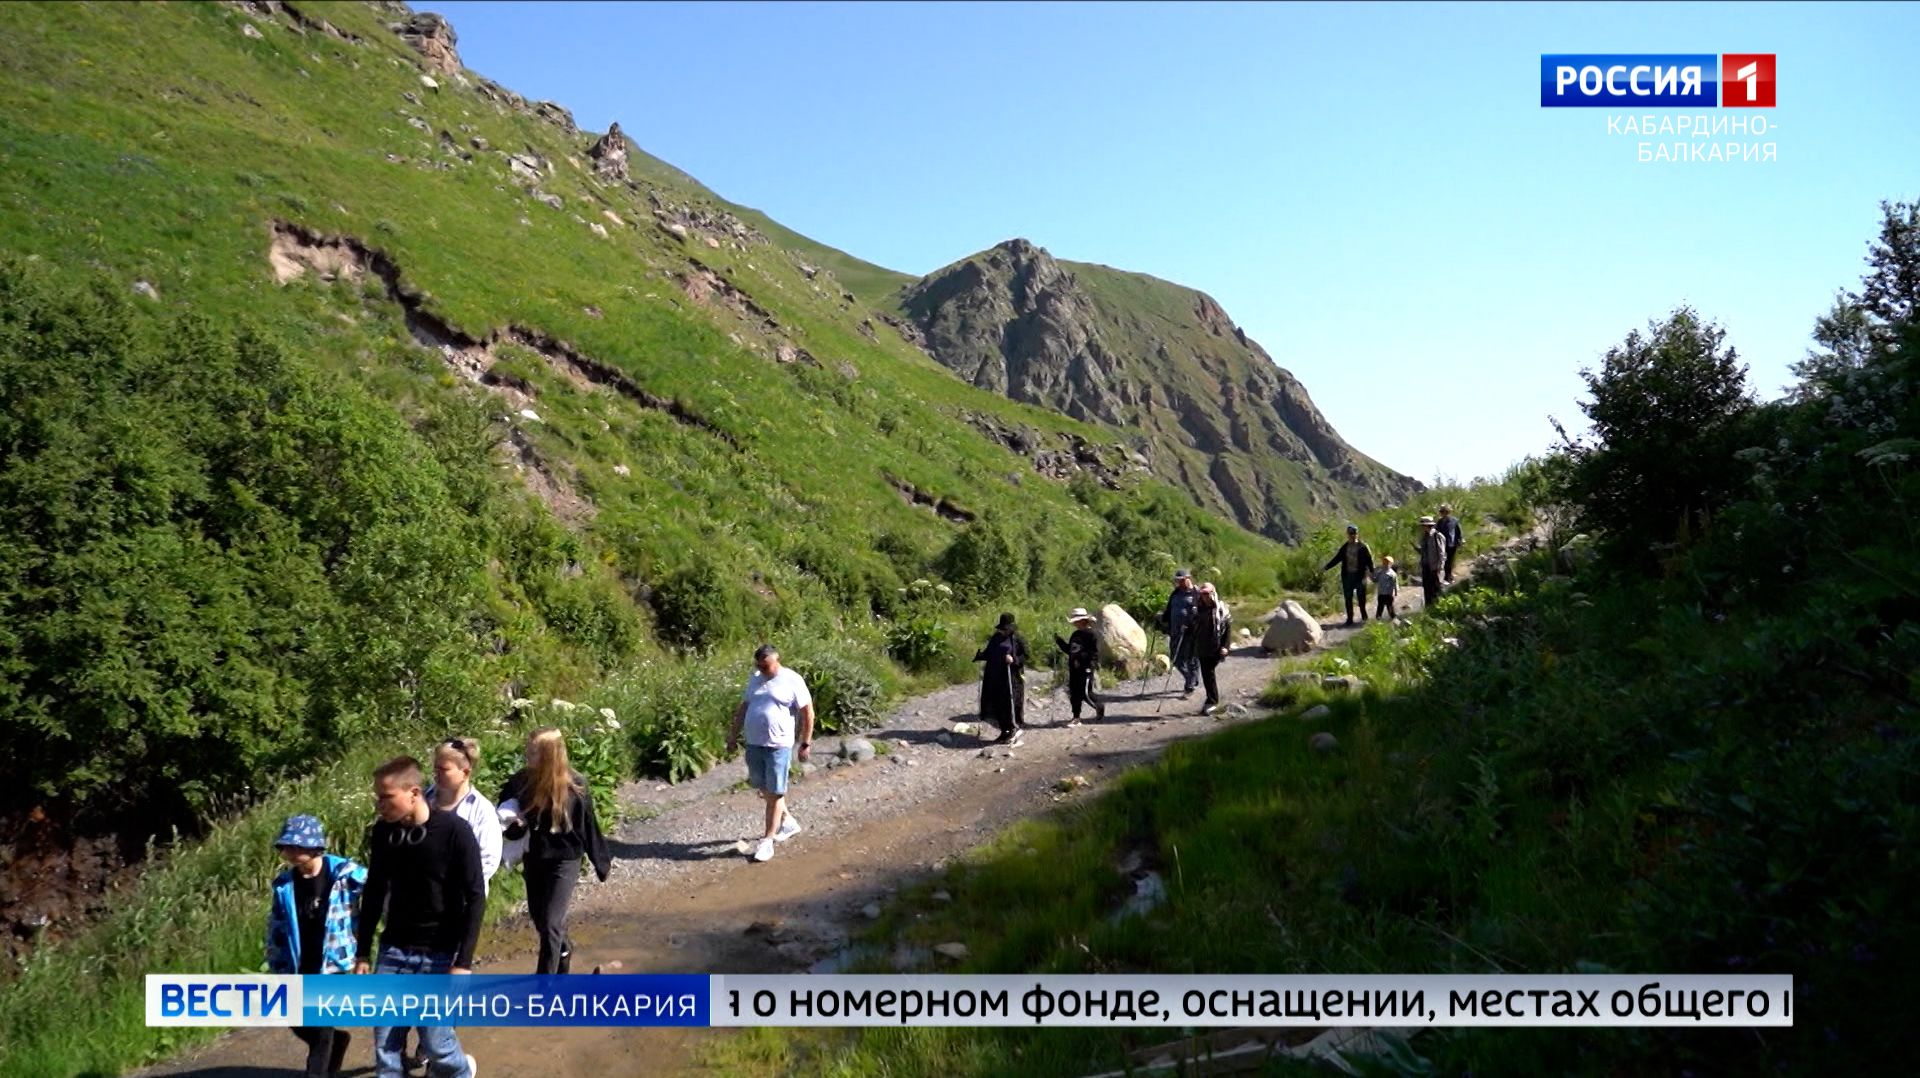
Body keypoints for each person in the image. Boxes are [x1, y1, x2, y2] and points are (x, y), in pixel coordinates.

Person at [354, 757, 483, 1078]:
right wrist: (362, 951)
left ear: (413, 793)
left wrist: (463, 962)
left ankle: (461, 1071)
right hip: (394, 949)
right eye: (378, 797)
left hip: (438, 952)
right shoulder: (383, 833)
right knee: (386, 1044)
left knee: (436, 1043)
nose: (379, 805)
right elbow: (374, 891)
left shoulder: (454, 831)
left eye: (386, 797)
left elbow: (476, 897)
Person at [497, 728, 612, 972]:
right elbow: (505, 820)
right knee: (540, 918)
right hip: (535, 856)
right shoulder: (520, 782)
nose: (526, 754)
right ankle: (564, 949)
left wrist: (601, 861)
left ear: (550, 755)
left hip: (565, 860)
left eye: (533, 751)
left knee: (550, 922)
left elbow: (588, 824)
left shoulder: (575, 785)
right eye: (528, 749)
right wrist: (514, 828)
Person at [265, 815, 364, 1078]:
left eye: (296, 845)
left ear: (313, 846)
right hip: (300, 962)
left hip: (333, 963)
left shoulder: (345, 873)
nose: (289, 851)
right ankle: (339, 1042)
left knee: (321, 1026)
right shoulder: (284, 885)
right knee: (295, 1018)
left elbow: (378, 892)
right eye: (286, 846)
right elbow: (277, 926)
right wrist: (277, 962)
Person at [725, 644, 815, 864]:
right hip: (754, 743)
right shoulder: (755, 679)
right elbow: (744, 707)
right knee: (762, 786)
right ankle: (788, 822)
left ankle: (767, 841)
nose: (762, 669)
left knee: (774, 792)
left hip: (779, 745)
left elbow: (807, 711)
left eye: (766, 665)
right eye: (759, 665)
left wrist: (805, 742)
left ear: (777, 659)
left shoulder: (792, 679)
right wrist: (733, 735)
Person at [426, 738, 503, 892]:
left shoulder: (482, 811)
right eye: (436, 768)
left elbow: (488, 860)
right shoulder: (423, 799)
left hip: (461, 896)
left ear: (465, 773)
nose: (436, 774)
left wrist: (453, 883)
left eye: (444, 769)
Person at [973, 613, 1029, 745]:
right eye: (1002, 629)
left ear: (1011, 628)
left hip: (1011, 677)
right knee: (997, 703)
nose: (1003, 631)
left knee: (1009, 704)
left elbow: (1026, 656)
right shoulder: (996, 638)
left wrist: (1014, 659)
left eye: (1005, 629)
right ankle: (1004, 731)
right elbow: (990, 652)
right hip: (994, 676)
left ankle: (1013, 728)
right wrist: (981, 655)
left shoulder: (1017, 639)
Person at [1052, 608, 1107, 726]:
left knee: (1085, 692)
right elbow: (1070, 650)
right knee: (1074, 693)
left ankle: (1099, 706)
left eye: (1076, 621)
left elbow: (1093, 653)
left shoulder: (1091, 635)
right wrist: (1060, 642)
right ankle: (1076, 717)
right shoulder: (1075, 634)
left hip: (1085, 667)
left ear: (1083, 621)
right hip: (1074, 668)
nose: (1075, 624)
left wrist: (1085, 662)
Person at [1186, 584, 1233, 715]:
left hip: (1216, 646)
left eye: (1206, 594)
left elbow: (1227, 629)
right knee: (1207, 674)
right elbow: (1193, 625)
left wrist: (1225, 646)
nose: (1204, 596)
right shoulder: (1197, 608)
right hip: (1202, 646)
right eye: (1202, 594)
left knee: (1209, 672)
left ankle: (1212, 701)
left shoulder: (1220, 609)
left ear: (1212, 593)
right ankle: (1211, 700)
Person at [1321, 524, 1376, 626]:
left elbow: (1369, 560)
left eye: (1354, 533)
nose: (1352, 535)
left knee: (1361, 597)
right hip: (1347, 576)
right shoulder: (1345, 547)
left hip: (1360, 576)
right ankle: (1350, 618)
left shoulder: (1363, 547)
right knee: (1348, 598)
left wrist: (1372, 572)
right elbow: (1337, 559)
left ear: (1357, 534)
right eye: (1350, 534)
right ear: (1347, 534)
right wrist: (1326, 567)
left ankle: (1364, 615)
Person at [1162, 569, 1201, 696]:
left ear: (1188, 579)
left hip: (1191, 632)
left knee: (1191, 659)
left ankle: (1190, 684)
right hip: (1175, 631)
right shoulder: (1175, 593)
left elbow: (1201, 614)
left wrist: (1190, 624)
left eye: (1182, 580)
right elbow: (1169, 609)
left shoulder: (1196, 594)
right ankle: (1191, 678)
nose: (1179, 582)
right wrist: (1161, 619)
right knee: (1175, 659)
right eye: (1177, 580)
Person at [1417, 515, 1447, 608]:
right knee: (1427, 588)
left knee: (1436, 589)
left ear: (1427, 525)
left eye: (1423, 525)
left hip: (1435, 568)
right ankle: (1429, 608)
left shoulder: (1437, 536)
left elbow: (1442, 553)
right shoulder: (1424, 537)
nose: (1422, 528)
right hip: (1426, 566)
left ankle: (1439, 608)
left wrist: (1440, 567)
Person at [1436, 504, 1464, 583]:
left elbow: (1458, 531)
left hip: (1451, 543)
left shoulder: (1454, 520)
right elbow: (1437, 532)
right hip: (1442, 544)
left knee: (1450, 560)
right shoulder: (1440, 522)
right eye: (1442, 511)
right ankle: (1444, 576)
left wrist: (1460, 540)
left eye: (1445, 511)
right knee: (1443, 560)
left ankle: (1448, 577)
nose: (1443, 513)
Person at [1373, 556, 1400, 622]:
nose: (1386, 564)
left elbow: (1395, 583)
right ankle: (1378, 620)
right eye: (1384, 563)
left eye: (1388, 563)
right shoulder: (1380, 573)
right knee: (1380, 607)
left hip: (1388, 594)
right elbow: (1375, 580)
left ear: (1391, 564)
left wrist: (1395, 592)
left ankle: (1395, 620)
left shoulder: (1392, 574)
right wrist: (1370, 575)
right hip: (1381, 593)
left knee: (1390, 608)